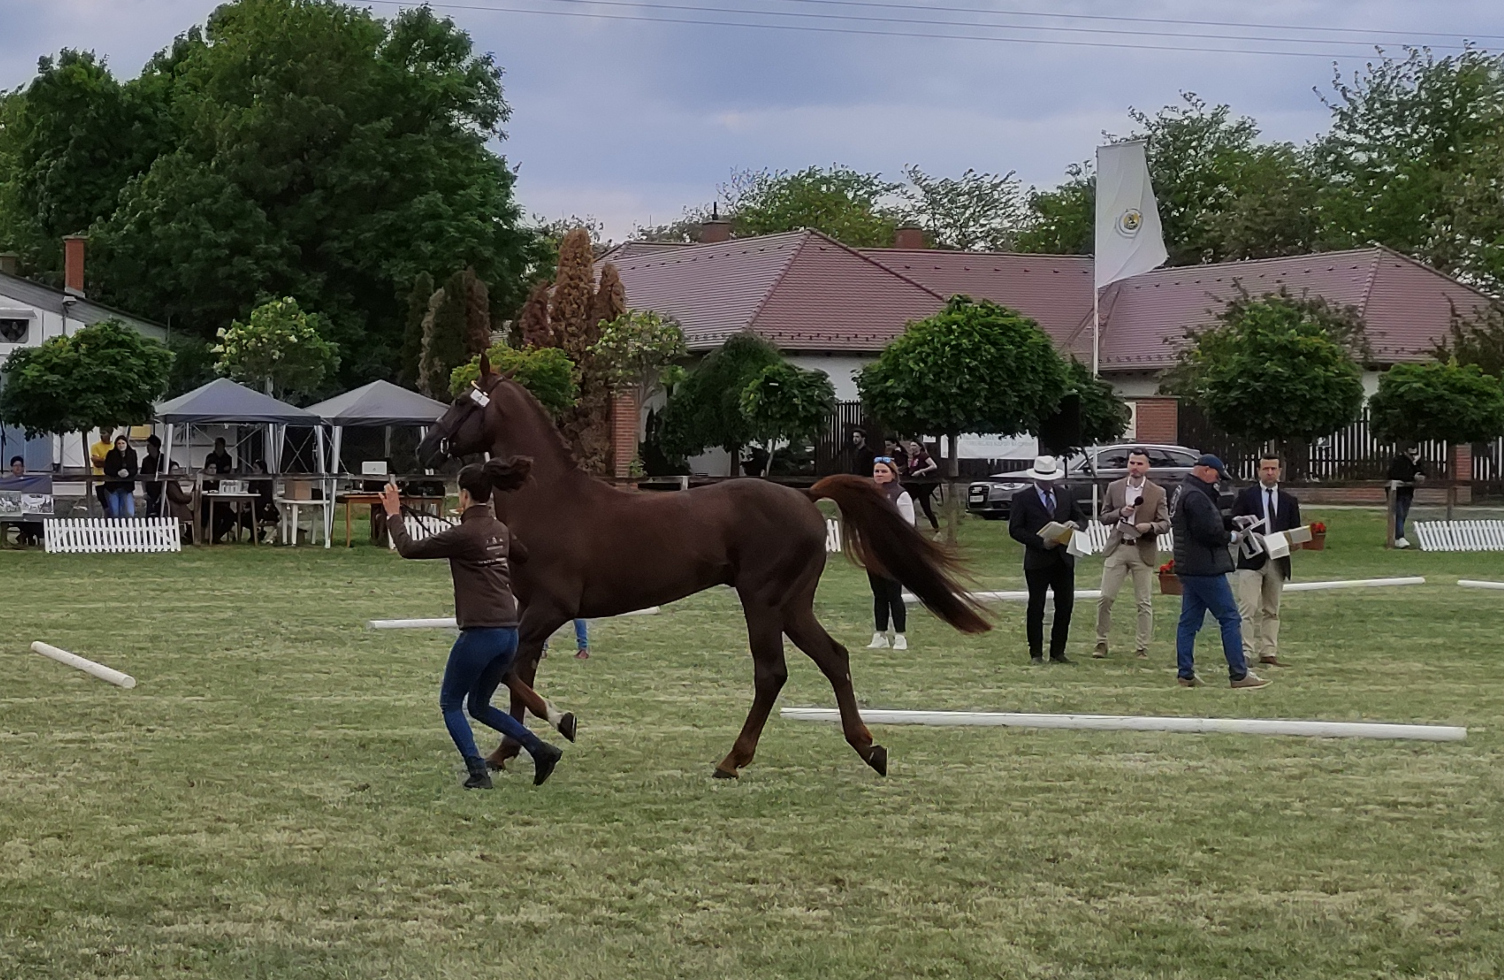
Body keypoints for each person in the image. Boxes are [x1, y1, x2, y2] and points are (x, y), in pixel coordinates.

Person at [381, 456, 564, 789]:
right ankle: (539, 749)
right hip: (509, 632)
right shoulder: (499, 530)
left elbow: (407, 548)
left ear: (464, 495)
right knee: (478, 704)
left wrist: (394, 512)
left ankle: (478, 773)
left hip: (480, 632)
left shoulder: (464, 535)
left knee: (451, 703)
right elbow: (521, 554)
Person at [1170, 455, 1270, 689]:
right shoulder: (1196, 496)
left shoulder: (1184, 491)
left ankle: (1185, 673)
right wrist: (1233, 536)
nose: (1217, 481)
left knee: (1189, 621)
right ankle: (1239, 673)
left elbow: (1207, 522)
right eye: (1216, 475)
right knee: (1229, 618)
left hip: (1188, 565)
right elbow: (1207, 532)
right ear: (1206, 470)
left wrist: (1231, 521)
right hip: (1206, 566)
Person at [1008, 455, 1088, 665]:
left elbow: (1082, 518)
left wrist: (1076, 525)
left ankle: (1058, 652)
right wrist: (1040, 542)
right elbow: (1015, 529)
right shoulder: (1023, 498)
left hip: (1063, 559)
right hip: (1038, 560)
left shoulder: (1065, 495)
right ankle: (1036, 652)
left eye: (1051, 479)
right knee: (1037, 606)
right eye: (1044, 479)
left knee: (1065, 605)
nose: (1047, 482)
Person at [1094, 448, 1170, 660]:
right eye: (1132, 463)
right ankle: (1101, 642)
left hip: (1142, 549)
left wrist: (1151, 526)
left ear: (1147, 467)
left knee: (1143, 601)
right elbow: (1104, 517)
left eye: (1139, 464)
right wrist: (1120, 513)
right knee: (1106, 597)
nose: (1135, 468)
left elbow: (1165, 523)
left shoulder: (1158, 492)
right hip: (1118, 546)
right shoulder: (1115, 487)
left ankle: (1142, 646)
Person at [1231, 454, 1302, 668]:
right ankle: (1244, 651)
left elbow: (1294, 530)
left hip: (1278, 558)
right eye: (1265, 469)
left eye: (1273, 469)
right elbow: (1234, 522)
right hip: (1251, 560)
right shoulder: (1246, 496)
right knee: (1248, 608)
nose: (1269, 472)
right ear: (1258, 471)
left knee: (1272, 609)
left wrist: (1295, 542)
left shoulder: (1289, 501)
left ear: (1280, 471)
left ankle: (1269, 651)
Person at [866, 456, 916, 650]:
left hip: (893, 552)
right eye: (876, 471)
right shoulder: (869, 493)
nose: (879, 475)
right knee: (878, 594)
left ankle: (900, 636)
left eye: (883, 471)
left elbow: (908, 524)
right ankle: (880, 634)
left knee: (894, 594)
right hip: (872, 550)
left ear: (893, 474)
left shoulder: (900, 494)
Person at [1387, 444, 1427, 548]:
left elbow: (1421, 472)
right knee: (1399, 514)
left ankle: (1398, 536)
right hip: (1397, 492)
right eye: (1411, 454)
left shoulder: (1415, 463)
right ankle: (1400, 537)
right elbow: (1396, 474)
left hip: (1408, 491)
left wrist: (1417, 467)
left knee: (1404, 514)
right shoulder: (1399, 461)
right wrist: (1412, 476)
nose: (1413, 456)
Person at [902, 439, 941, 531]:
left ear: (919, 447)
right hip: (917, 484)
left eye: (914, 445)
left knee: (925, 506)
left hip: (924, 484)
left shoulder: (923, 455)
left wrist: (921, 471)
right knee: (909, 502)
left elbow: (933, 466)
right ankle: (912, 526)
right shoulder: (914, 458)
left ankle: (936, 529)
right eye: (911, 445)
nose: (912, 447)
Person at [7, 456, 44, 546]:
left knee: (34, 520)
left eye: (20, 465)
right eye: (15, 465)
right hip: (12, 511)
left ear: (23, 468)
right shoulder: (7, 481)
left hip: (28, 510)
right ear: (11, 468)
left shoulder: (30, 481)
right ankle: (27, 536)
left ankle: (25, 535)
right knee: (25, 520)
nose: (18, 467)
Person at [101, 435, 139, 518]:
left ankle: (126, 528)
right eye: (119, 443)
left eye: (123, 443)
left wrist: (128, 472)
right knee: (115, 513)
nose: (121, 445)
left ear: (126, 444)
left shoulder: (132, 453)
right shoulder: (111, 454)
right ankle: (116, 528)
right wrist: (117, 473)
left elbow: (135, 469)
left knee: (129, 512)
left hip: (126, 487)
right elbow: (107, 470)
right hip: (113, 488)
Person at [90, 427, 114, 512]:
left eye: (104, 433)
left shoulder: (113, 446)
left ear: (110, 434)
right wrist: (108, 461)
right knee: (105, 505)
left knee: (112, 505)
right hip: (99, 480)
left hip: (111, 480)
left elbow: (114, 463)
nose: (102, 435)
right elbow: (96, 463)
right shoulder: (95, 446)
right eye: (101, 433)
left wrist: (103, 460)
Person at [141, 435, 166, 517]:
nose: (147, 447)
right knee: (150, 512)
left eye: (149, 445)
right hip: (150, 491)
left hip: (162, 490)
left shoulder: (164, 459)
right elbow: (143, 477)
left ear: (155, 446)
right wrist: (144, 491)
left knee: (162, 512)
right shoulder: (145, 461)